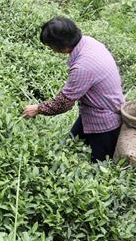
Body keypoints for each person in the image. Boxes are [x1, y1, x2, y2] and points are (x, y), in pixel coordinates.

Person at [22, 17, 124, 163]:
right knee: (69, 145)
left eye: (51, 47)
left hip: (105, 122)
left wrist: (37, 109)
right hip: (91, 112)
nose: (51, 50)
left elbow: (63, 103)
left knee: (99, 165)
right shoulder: (89, 42)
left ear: (62, 46)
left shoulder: (83, 66)